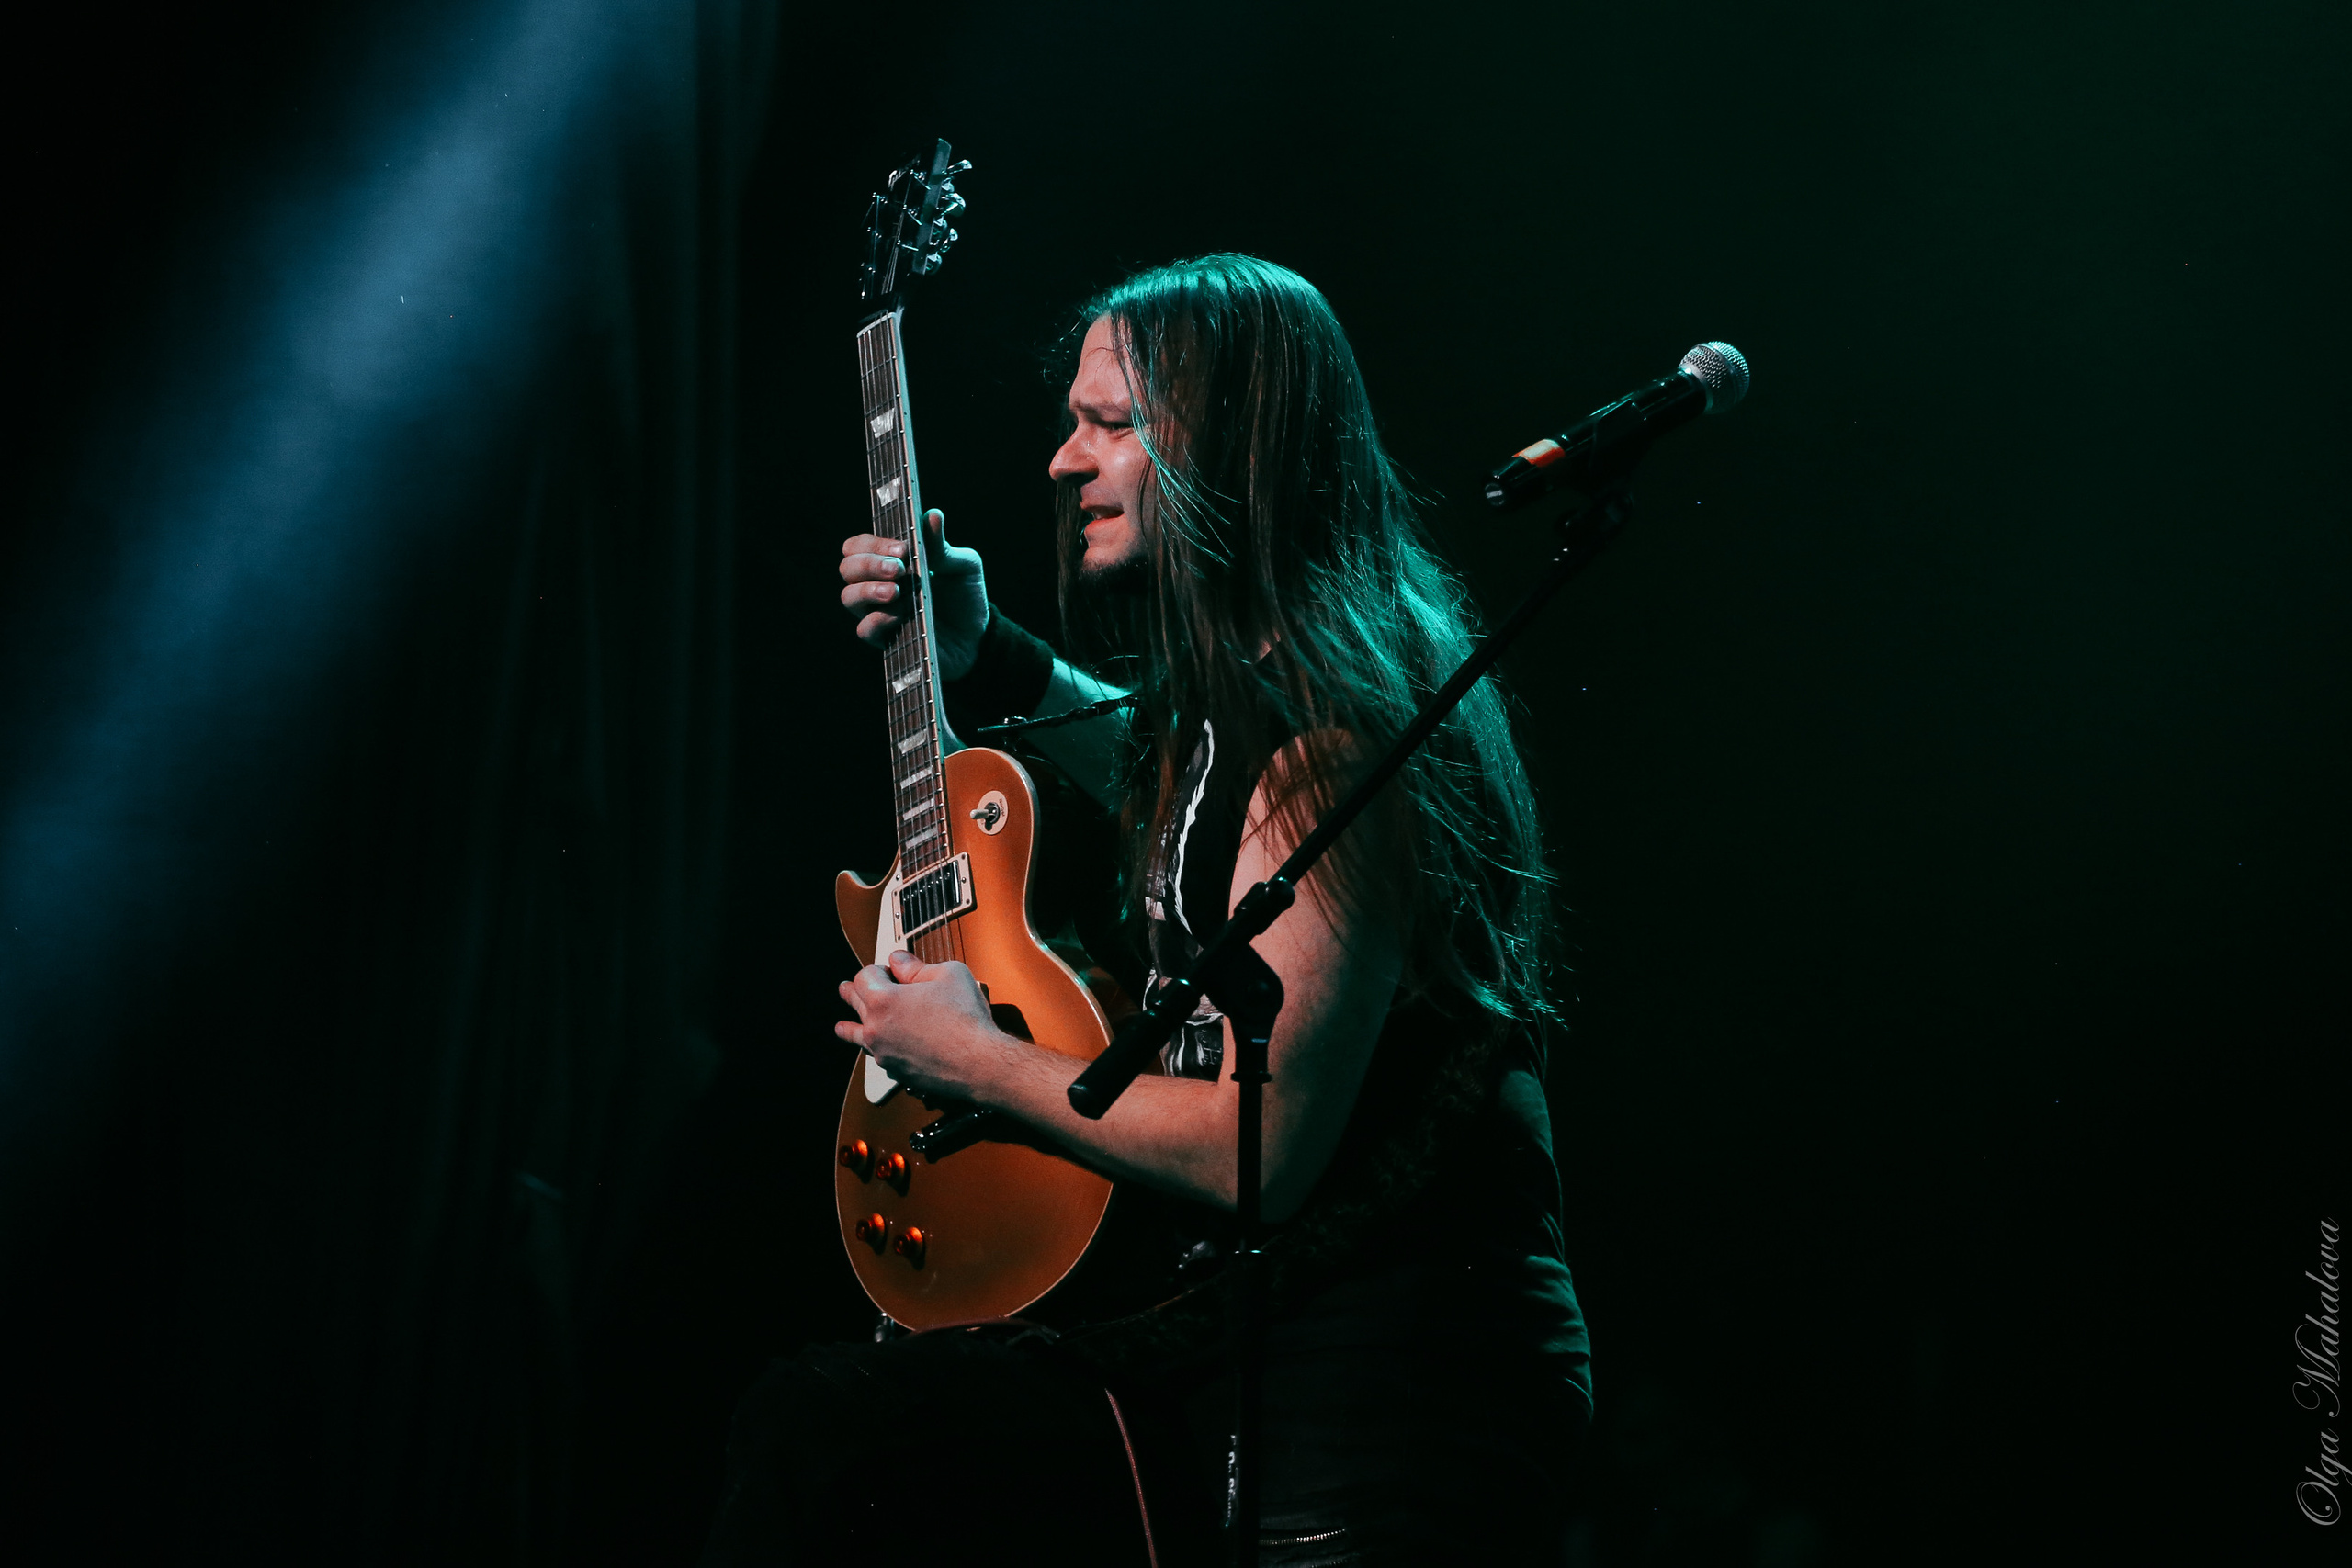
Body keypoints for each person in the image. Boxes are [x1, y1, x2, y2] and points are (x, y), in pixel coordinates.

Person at [704, 255, 1589, 1566]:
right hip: (1259, 1359)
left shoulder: (1340, 741)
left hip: (1392, 1409)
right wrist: (989, 645)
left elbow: (1265, 1147)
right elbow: (1171, 784)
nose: (1065, 462)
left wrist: (977, 1062)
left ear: (1233, 448)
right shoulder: (1266, 698)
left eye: (1112, 425)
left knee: (833, 1435)